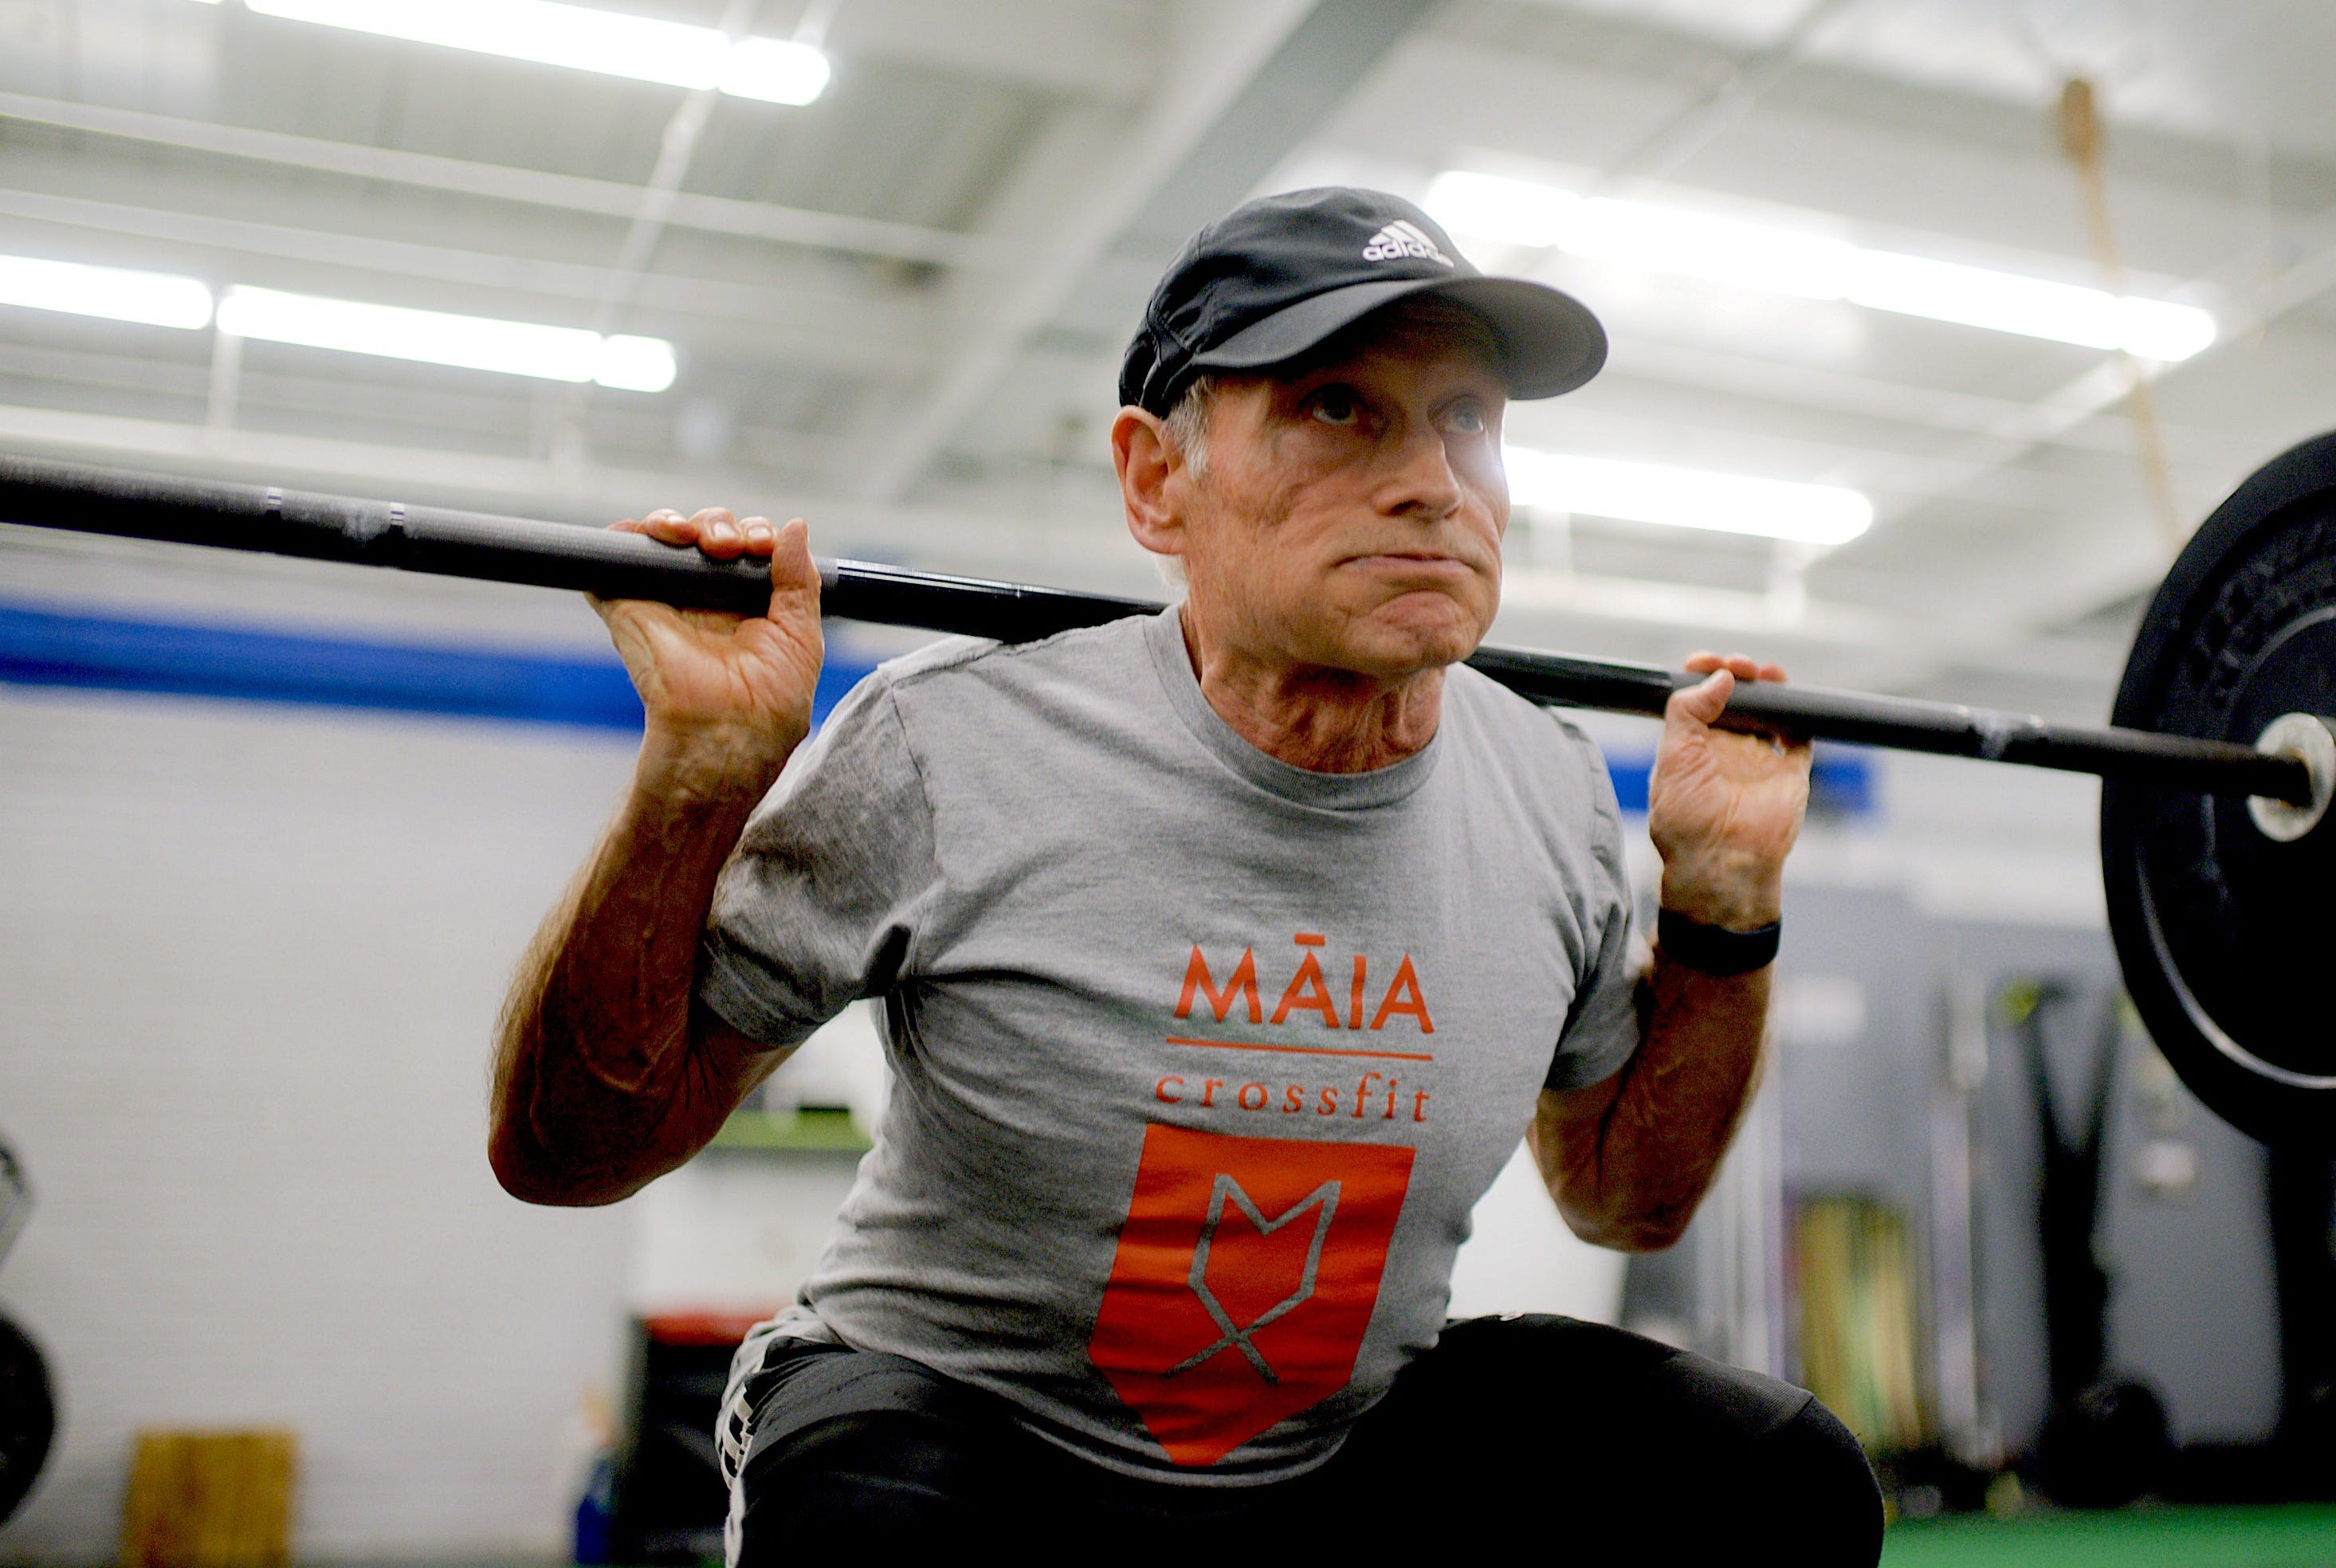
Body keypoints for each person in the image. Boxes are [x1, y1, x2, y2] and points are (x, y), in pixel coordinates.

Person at [489, 187, 1880, 1556]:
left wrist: (1723, 900)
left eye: (1467, 420)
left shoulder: (1553, 790)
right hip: (963, 1431)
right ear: (1160, 483)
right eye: (1338, 407)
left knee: (1770, 1481)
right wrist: (699, 777)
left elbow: (1622, 1200)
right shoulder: (950, 745)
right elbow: (571, 1153)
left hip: (1338, 1445)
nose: (1435, 484)